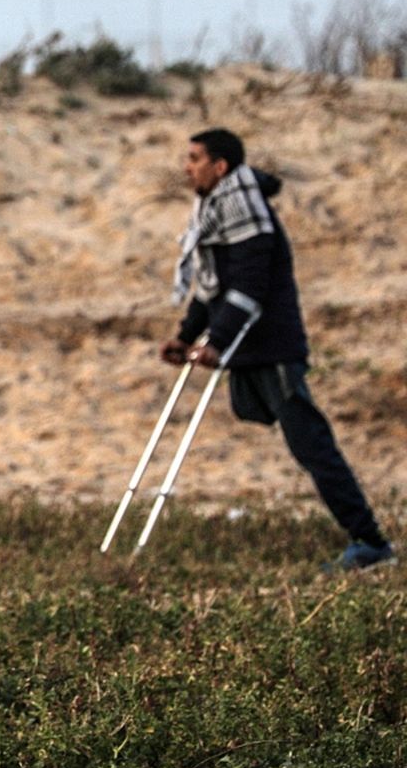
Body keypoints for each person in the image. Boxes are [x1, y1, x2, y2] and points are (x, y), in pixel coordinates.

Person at [160, 128, 394, 571]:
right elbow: (214, 288)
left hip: (274, 347)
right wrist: (187, 336)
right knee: (269, 422)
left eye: (194, 159)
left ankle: (370, 541)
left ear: (220, 166)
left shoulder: (248, 213)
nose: (187, 168)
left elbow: (249, 285)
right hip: (250, 348)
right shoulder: (217, 210)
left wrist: (219, 342)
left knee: (312, 446)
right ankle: (365, 538)